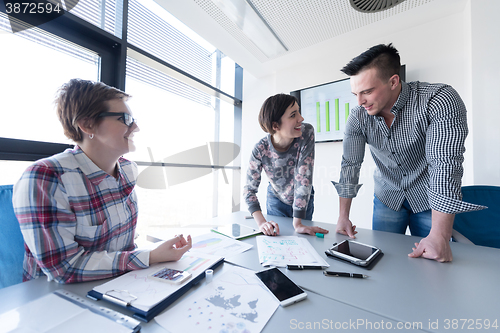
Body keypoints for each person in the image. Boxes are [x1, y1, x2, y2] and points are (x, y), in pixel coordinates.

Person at [12, 79, 192, 283]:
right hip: (56, 299)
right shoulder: (45, 178)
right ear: (87, 124)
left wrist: (152, 257)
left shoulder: (127, 169)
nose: (136, 127)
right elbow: (64, 269)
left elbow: (123, 249)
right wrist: (150, 257)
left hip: (117, 284)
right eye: (125, 119)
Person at [332, 43, 484, 262]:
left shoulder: (437, 100)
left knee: (432, 263)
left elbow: (444, 164)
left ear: (393, 81)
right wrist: (343, 216)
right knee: (382, 261)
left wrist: (440, 236)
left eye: (366, 91)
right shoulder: (358, 116)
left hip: (428, 198)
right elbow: (350, 165)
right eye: (356, 93)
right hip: (387, 196)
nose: (359, 102)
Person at [244, 93, 328, 236]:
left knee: (302, 241)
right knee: (277, 240)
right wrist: (262, 223)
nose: (301, 118)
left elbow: (304, 177)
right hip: (276, 199)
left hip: (303, 197)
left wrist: (298, 223)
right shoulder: (260, 149)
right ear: (275, 125)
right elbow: (249, 190)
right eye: (293, 115)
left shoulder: (306, 132)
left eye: (299, 112)